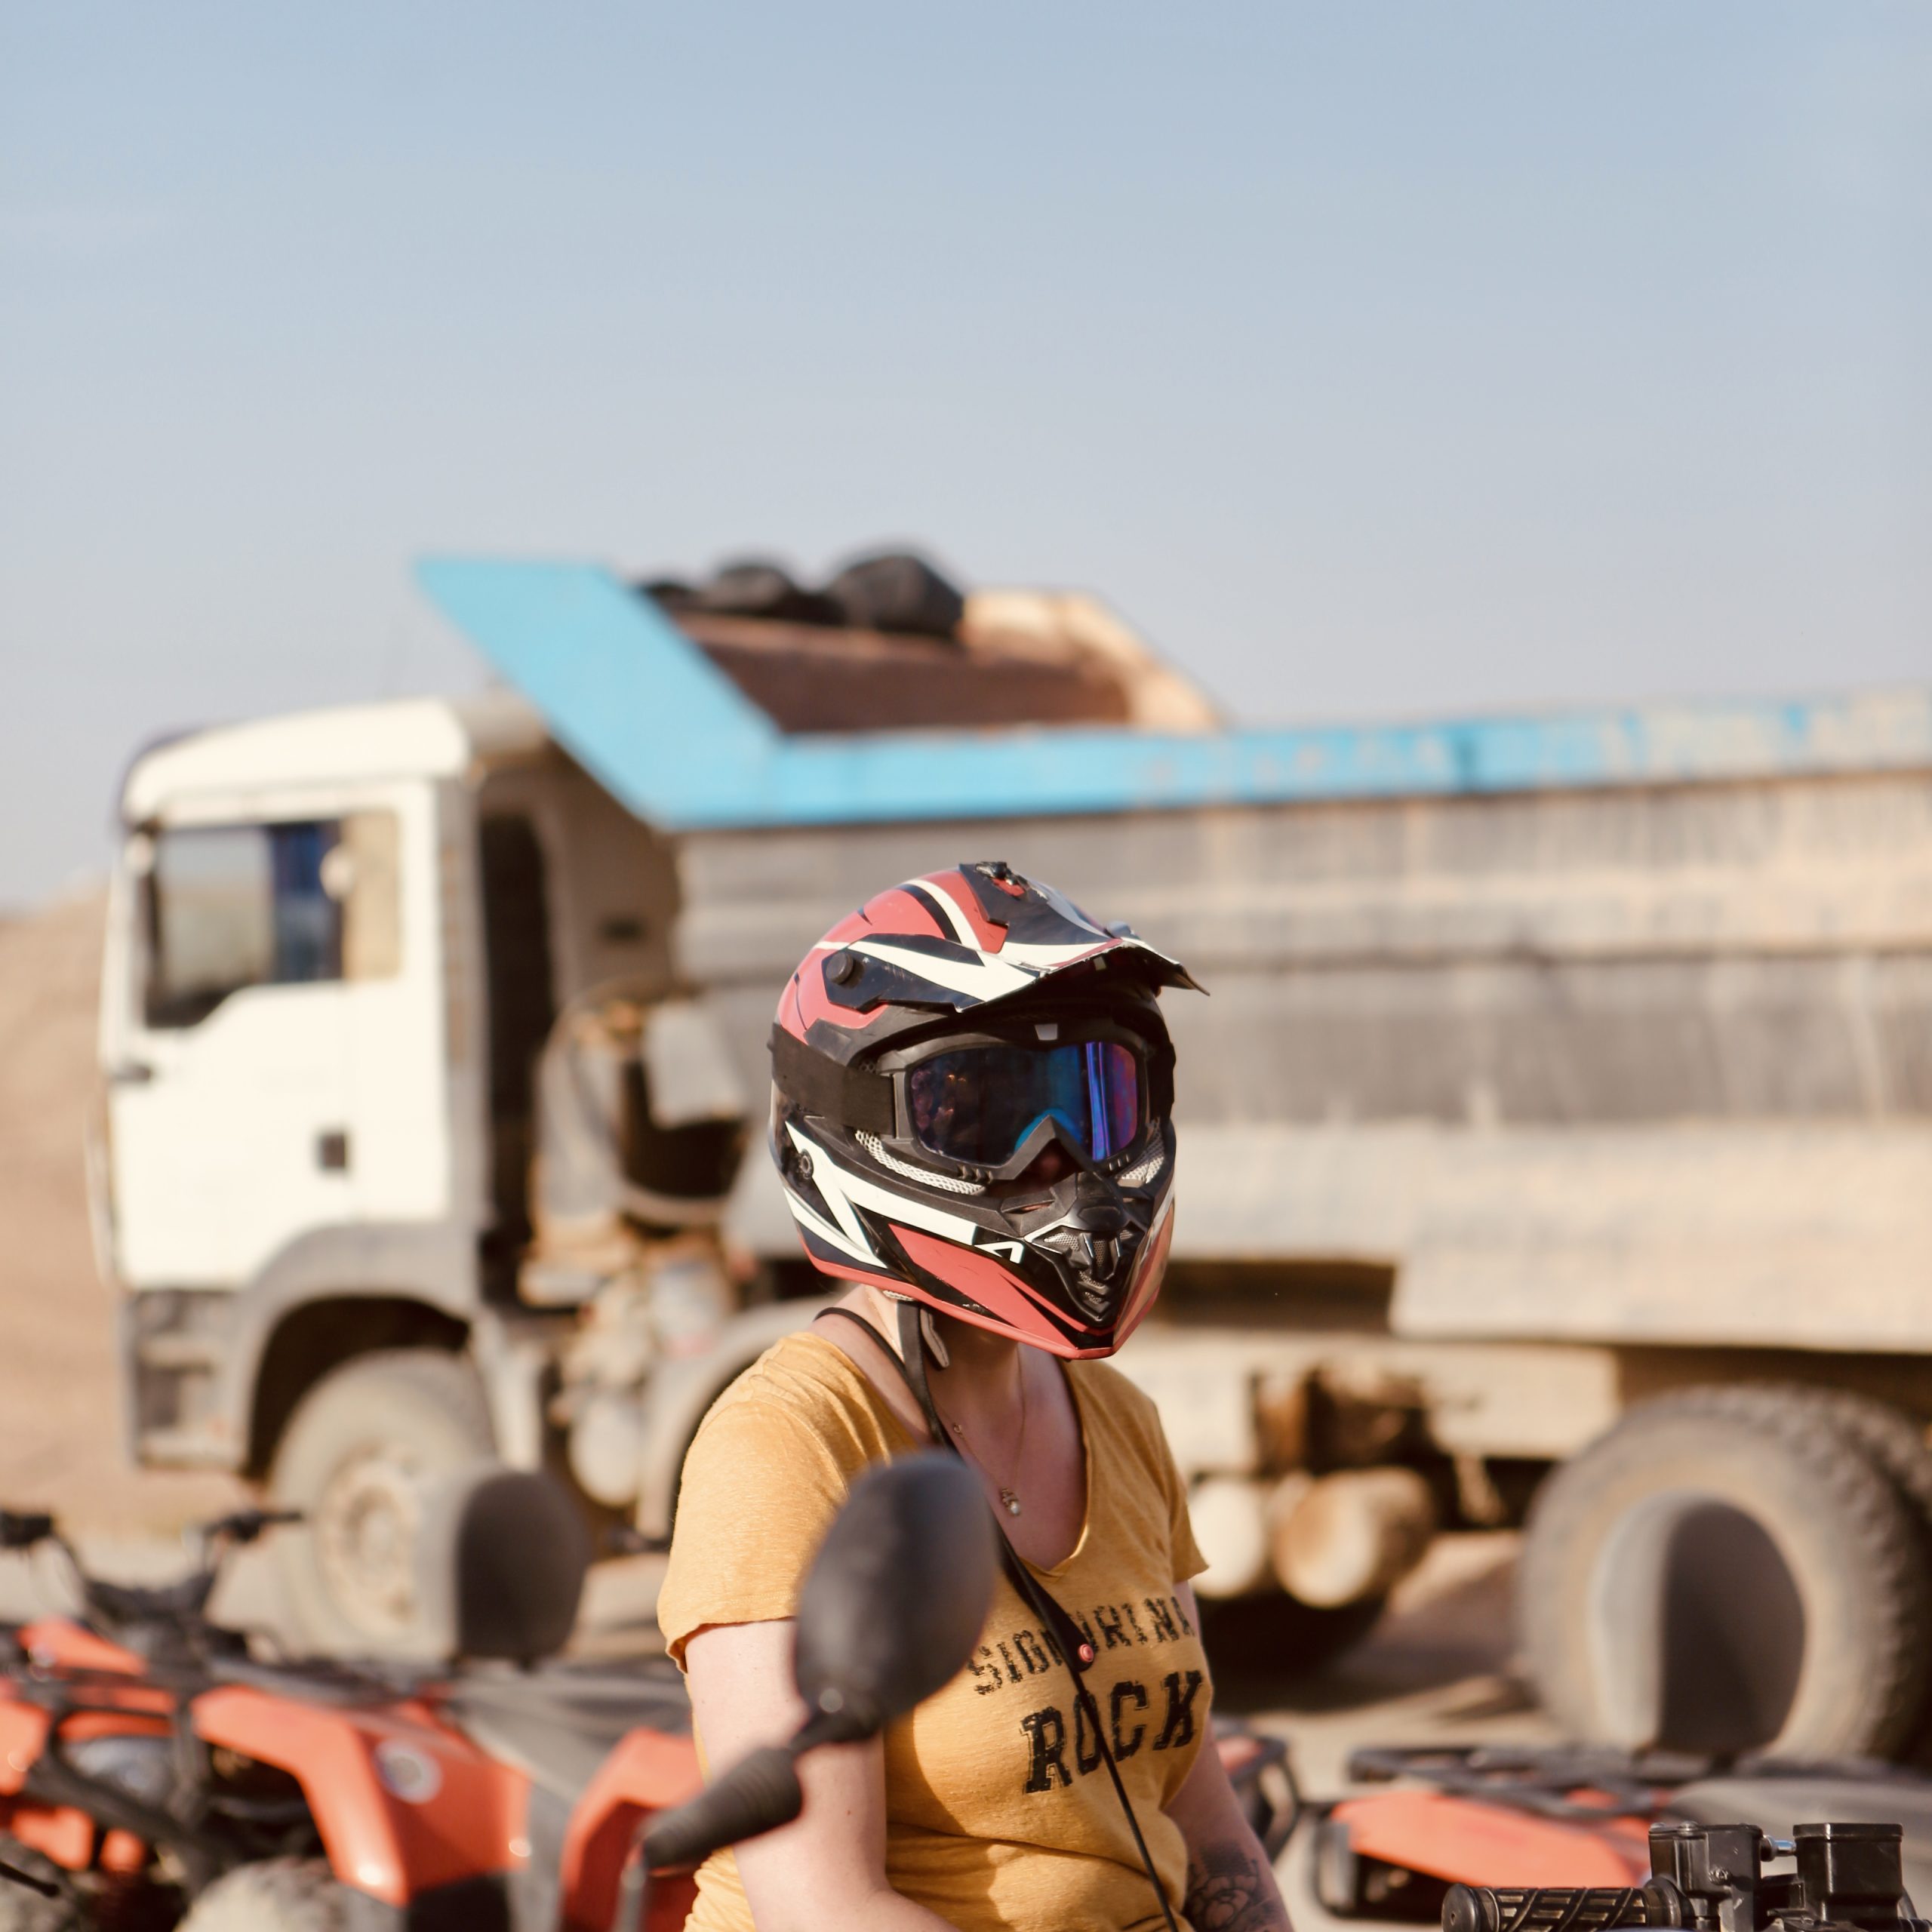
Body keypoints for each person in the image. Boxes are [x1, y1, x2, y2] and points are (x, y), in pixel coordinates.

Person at [657, 862, 1294, 1932]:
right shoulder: (789, 1446)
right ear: (853, 1129)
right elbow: (823, 1907)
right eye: (981, 1115)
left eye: (1095, 1102)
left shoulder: (1119, 1422)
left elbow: (1198, 1809)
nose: (1064, 1165)